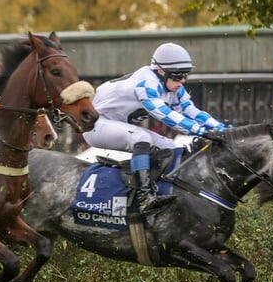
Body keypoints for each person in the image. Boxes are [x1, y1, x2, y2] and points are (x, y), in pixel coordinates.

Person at [82, 42, 229, 213]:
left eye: (185, 75)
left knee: (171, 147)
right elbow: (165, 115)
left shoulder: (173, 86)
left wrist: (223, 128)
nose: (182, 81)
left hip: (118, 125)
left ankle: (163, 191)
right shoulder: (146, 83)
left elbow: (192, 111)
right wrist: (201, 131)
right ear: (161, 71)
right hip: (95, 126)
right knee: (141, 138)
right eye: (177, 76)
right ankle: (142, 196)